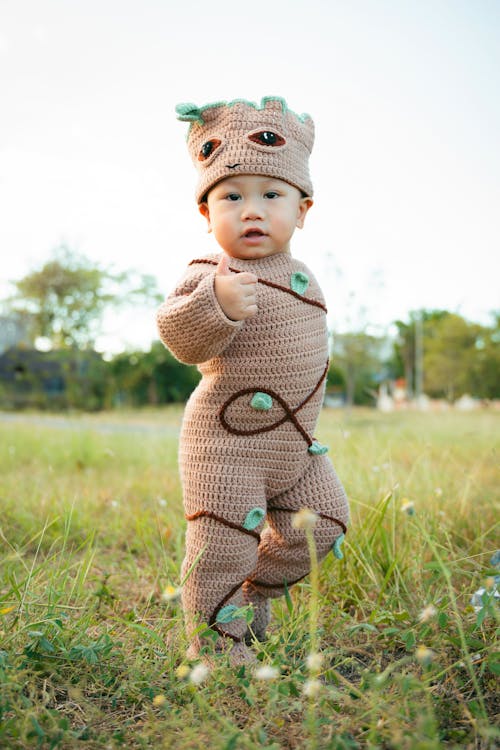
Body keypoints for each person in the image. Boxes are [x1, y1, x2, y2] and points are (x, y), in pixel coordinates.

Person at [157, 97, 349, 665]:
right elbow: (179, 336)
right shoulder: (209, 274)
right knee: (222, 547)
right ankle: (216, 648)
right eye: (232, 197)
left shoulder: (305, 276)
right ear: (206, 213)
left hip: (295, 444)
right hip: (227, 444)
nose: (252, 211)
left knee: (324, 524)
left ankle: (254, 593)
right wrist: (215, 305)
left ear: (303, 209)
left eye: (272, 195)